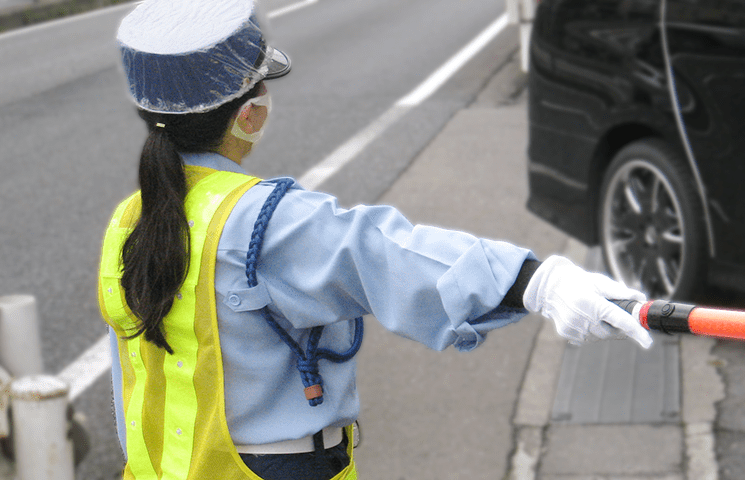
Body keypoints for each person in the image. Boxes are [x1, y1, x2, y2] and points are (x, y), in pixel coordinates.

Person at [98, 0, 654, 478]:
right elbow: (386, 253)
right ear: (246, 114)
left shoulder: (130, 219)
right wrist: (540, 282)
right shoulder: (267, 220)